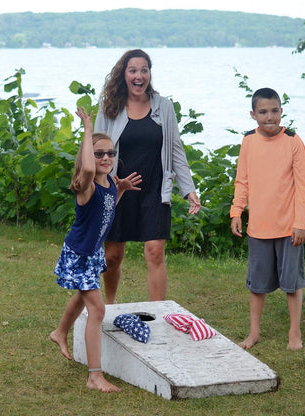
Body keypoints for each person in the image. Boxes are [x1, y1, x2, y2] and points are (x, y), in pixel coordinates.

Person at [94, 49, 201, 304]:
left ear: (149, 74)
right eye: (133, 70)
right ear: (124, 74)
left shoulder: (163, 107)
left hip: (154, 190)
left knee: (155, 251)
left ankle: (159, 314)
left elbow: (176, 149)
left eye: (144, 70)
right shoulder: (109, 107)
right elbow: (96, 148)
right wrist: (107, 182)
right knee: (112, 255)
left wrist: (189, 190)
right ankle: (109, 306)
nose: (139, 76)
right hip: (117, 190)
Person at [49, 107, 142, 392]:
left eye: (110, 154)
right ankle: (94, 376)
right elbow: (87, 168)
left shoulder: (109, 185)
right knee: (97, 310)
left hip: (92, 254)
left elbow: (104, 215)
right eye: (99, 153)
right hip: (78, 254)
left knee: (83, 296)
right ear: (89, 156)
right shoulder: (86, 185)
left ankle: (60, 332)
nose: (106, 158)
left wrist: (121, 190)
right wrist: (88, 129)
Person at [230, 88, 305, 351]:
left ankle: (294, 334)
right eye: (263, 112)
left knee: (292, 284)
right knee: (257, 285)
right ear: (253, 115)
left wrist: (300, 223)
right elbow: (242, 180)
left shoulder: (293, 141)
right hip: (259, 228)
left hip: (289, 228)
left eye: (274, 110)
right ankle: (254, 333)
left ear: (281, 111)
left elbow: (302, 187)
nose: (269, 117)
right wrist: (236, 211)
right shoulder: (249, 142)